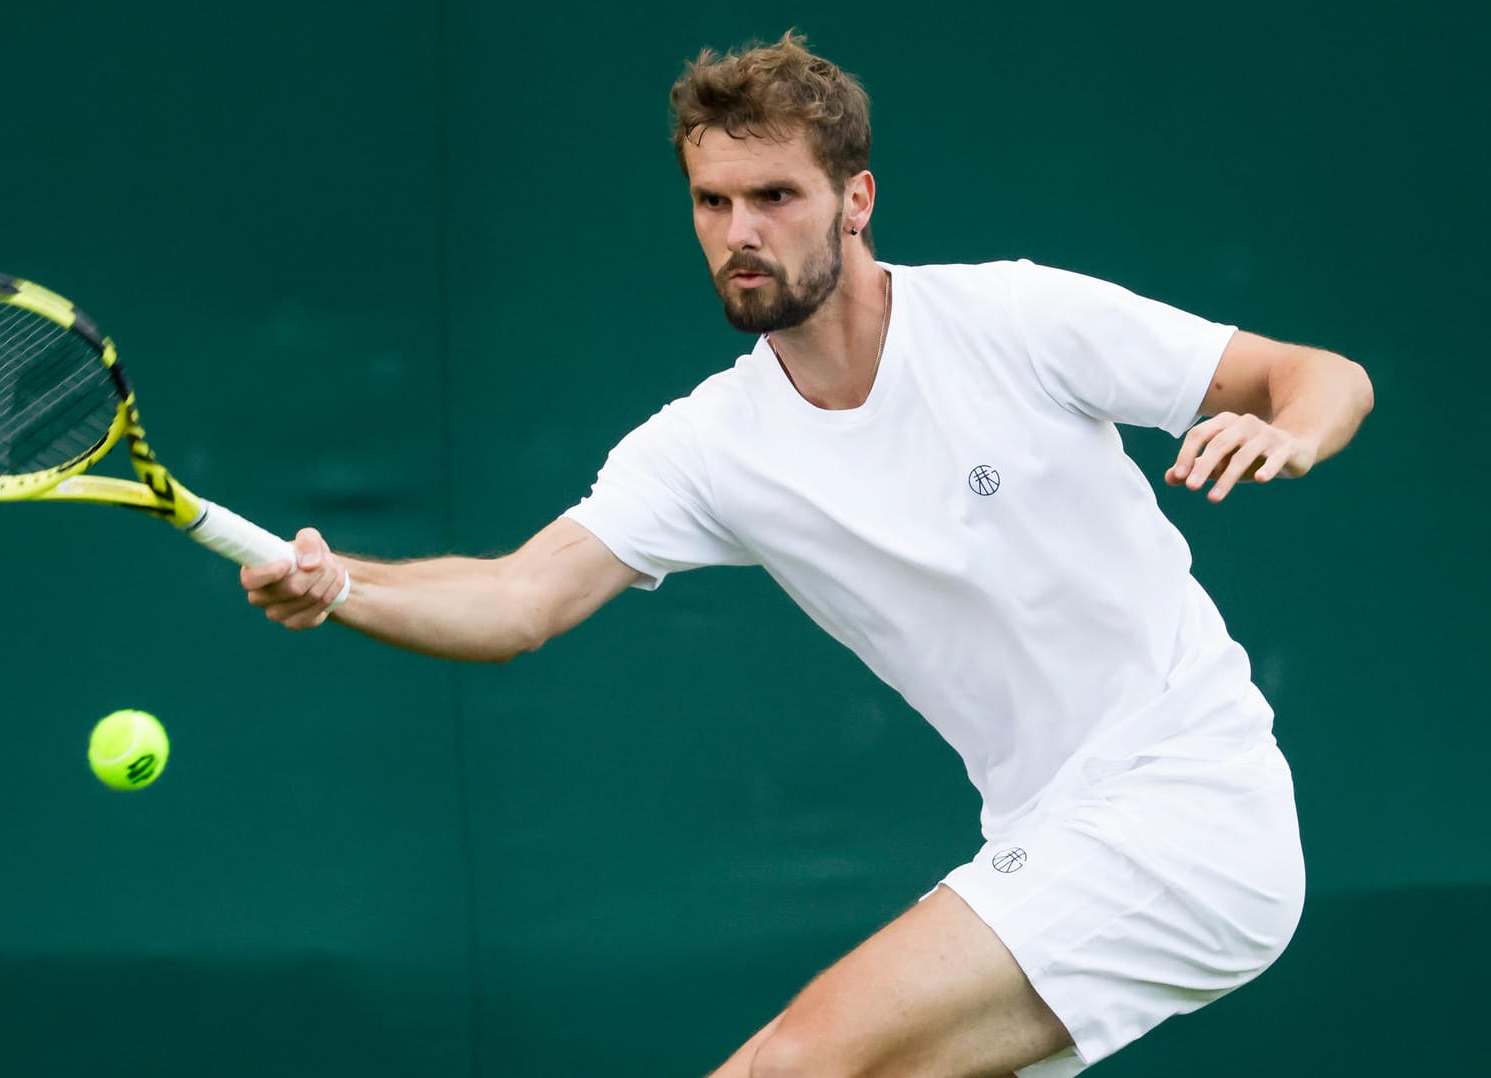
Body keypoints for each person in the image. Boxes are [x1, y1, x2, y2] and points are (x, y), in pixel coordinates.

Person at [242, 32, 1373, 1078]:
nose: (740, 232)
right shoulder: (709, 446)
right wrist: (341, 583)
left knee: (787, 1067)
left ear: (856, 200)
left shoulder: (1016, 320)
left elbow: (1322, 375)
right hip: (1047, 830)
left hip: (1184, 802)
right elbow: (513, 599)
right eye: (713, 201)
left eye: (775, 196)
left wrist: (1289, 429)